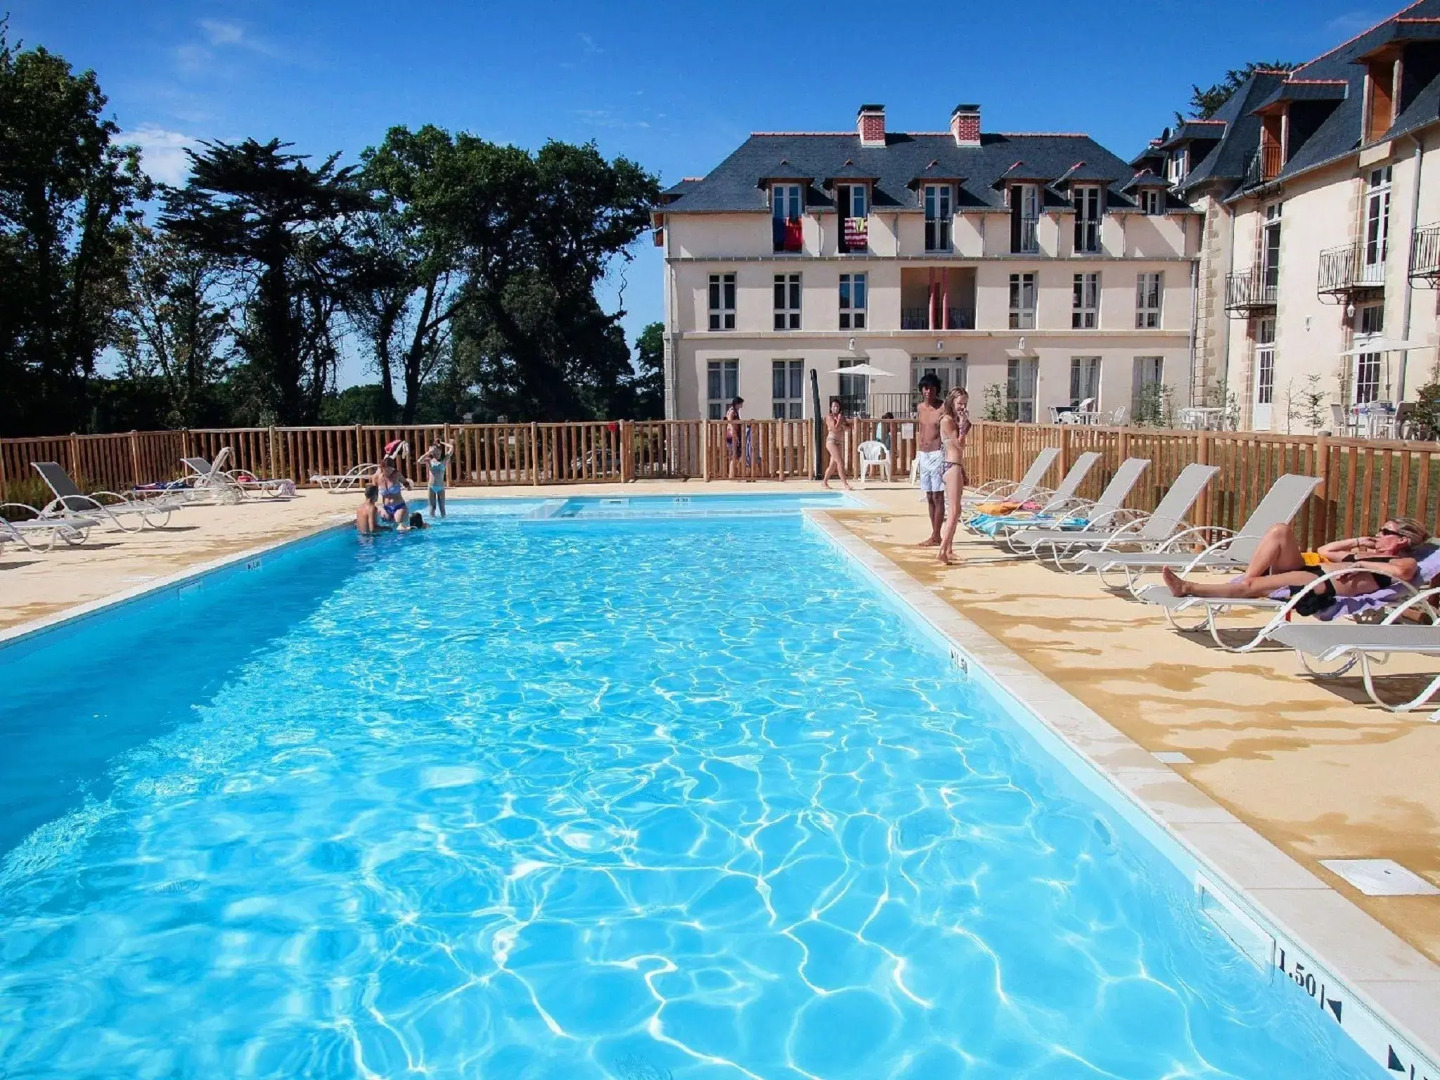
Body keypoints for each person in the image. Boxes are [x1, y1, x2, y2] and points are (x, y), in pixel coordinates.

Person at [1160, 517, 1428, 616]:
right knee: (1280, 530)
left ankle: (1187, 587)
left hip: (1319, 585)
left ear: (1402, 540)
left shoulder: (1402, 560)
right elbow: (1326, 551)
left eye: (1385, 531)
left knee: (1252, 585)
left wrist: (1361, 561)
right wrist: (1358, 543)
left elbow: (1401, 573)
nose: (1379, 535)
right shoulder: (1366, 552)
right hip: (1312, 573)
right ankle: (1249, 582)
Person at [937, 387, 972, 565]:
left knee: (954, 510)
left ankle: (948, 549)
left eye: (965, 404)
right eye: (960, 403)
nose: (962, 407)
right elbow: (959, 445)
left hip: (955, 466)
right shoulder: (947, 420)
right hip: (951, 467)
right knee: (954, 511)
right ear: (952, 402)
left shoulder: (953, 420)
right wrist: (963, 425)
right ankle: (942, 550)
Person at [914, 374, 946, 545]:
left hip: (937, 454)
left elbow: (952, 427)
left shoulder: (942, 408)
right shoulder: (920, 408)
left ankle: (936, 534)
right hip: (924, 454)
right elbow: (921, 429)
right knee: (928, 495)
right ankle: (935, 535)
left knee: (938, 496)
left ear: (936, 389)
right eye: (926, 388)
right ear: (921, 390)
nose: (928, 391)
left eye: (932, 388)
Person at [822, 398, 853, 491]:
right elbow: (834, 428)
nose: (836, 408)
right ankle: (845, 484)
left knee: (833, 465)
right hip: (831, 441)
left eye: (837, 406)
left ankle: (824, 482)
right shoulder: (829, 417)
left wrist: (843, 424)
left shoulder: (842, 417)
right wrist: (839, 420)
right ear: (831, 408)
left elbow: (849, 428)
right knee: (840, 462)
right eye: (834, 406)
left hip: (839, 442)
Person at [418, 438, 454, 519]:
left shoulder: (444, 460)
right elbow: (419, 461)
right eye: (434, 452)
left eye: (438, 452)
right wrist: (428, 452)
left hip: (441, 487)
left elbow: (451, 447)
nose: (436, 454)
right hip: (431, 487)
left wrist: (442, 442)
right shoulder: (429, 460)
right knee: (432, 507)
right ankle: (433, 524)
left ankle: (444, 524)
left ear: (441, 451)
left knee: (442, 508)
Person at [373, 454, 408, 525]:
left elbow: (405, 482)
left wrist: (408, 486)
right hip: (386, 508)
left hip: (399, 506)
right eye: (386, 470)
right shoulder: (377, 478)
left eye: (391, 470)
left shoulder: (397, 474)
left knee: (399, 525)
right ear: (382, 468)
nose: (389, 472)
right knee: (386, 527)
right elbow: (373, 493)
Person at [724, 397, 745, 479]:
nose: (741, 405)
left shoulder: (735, 411)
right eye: (741, 404)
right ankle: (731, 475)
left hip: (734, 435)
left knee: (736, 454)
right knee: (734, 454)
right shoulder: (732, 411)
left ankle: (733, 473)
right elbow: (729, 422)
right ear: (737, 403)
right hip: (732, 435)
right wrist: (734, 434)